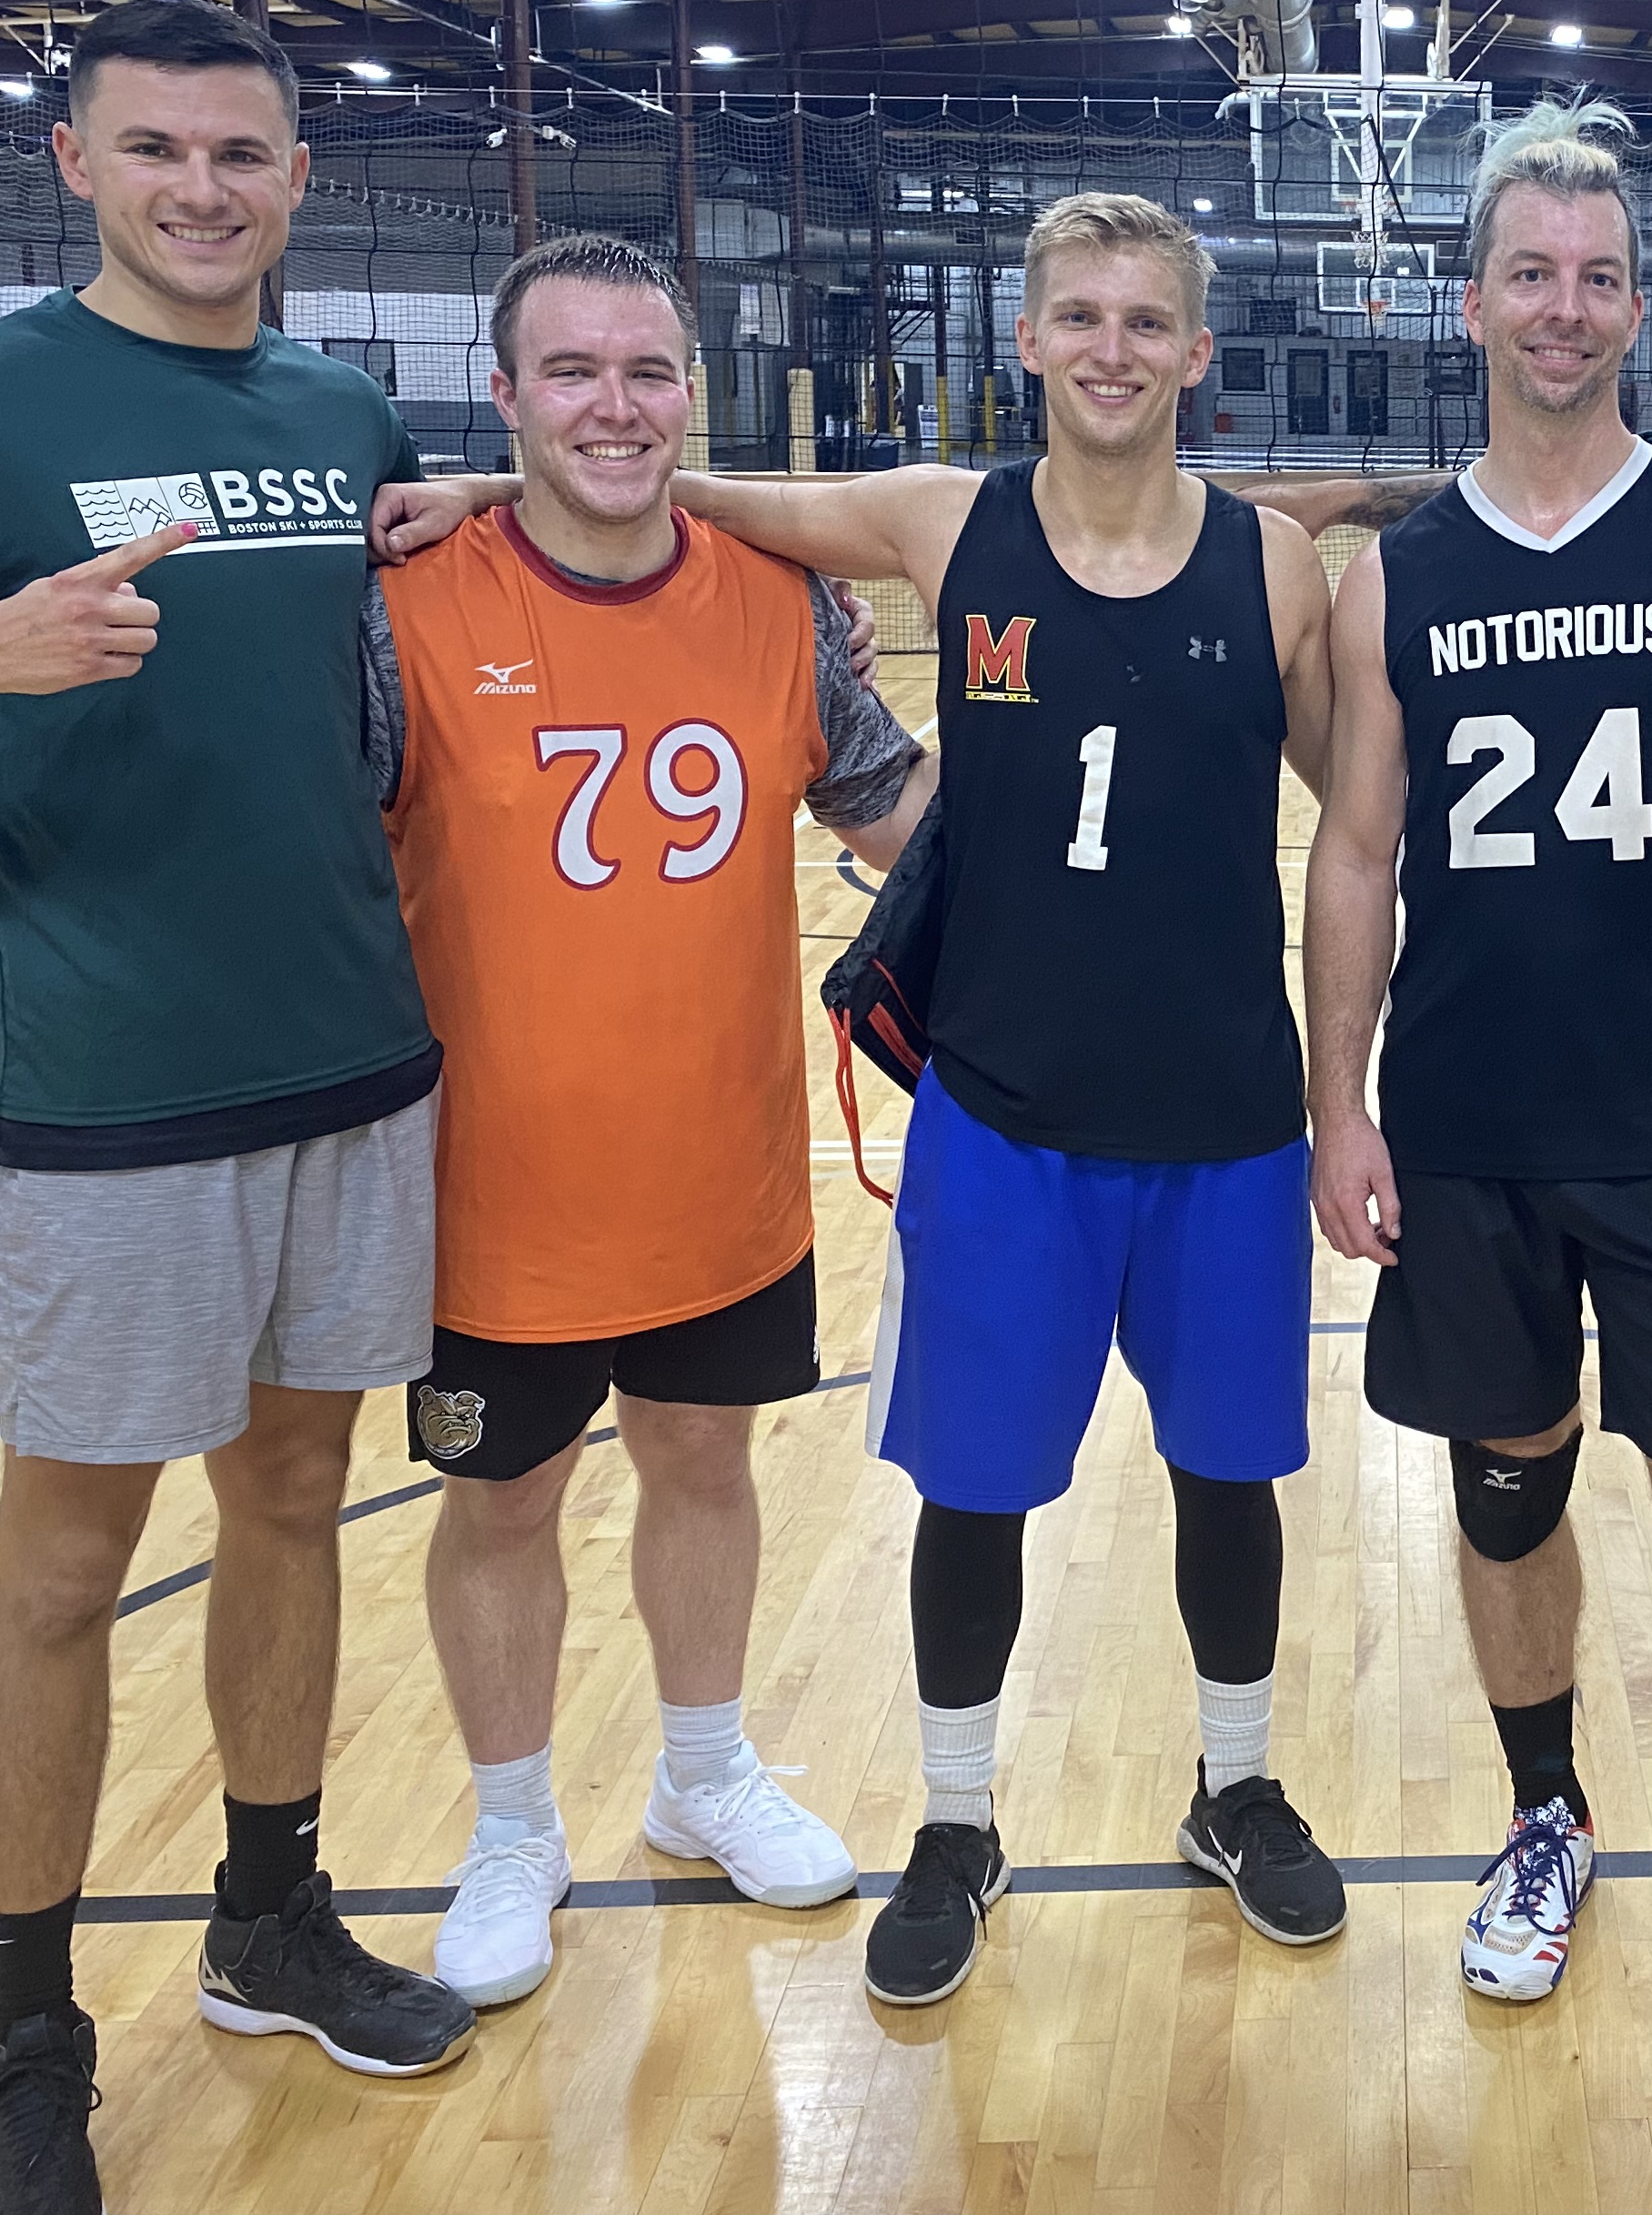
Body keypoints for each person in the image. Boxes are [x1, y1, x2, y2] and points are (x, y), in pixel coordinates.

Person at [0, 0, 478, 2215]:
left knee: (294, 1501)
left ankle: (269, 1917)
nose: (201, 188)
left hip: (348, 1060)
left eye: (241, 153)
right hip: (96, 1083)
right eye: (156, 148)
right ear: (73, 159)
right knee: (67, 1568)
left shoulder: (340, 406)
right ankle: (28, 2035)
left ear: (299, 178)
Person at [494, 191, 1354, 1998]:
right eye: (1079, 317)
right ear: (1026, 342)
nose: (1112, 349)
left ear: (1198, 353)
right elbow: (694, 495)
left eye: (1147, 321)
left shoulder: (1278, 569)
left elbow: (1363, 825)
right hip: (1004, 1122)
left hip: (1224, 1121)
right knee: (974, 1491)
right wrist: (500, 490)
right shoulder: (944, 525)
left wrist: (1359, 1093)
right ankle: (957, 1818)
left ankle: (1238, 1784)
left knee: (1230, 1481)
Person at [1304, 100, 1652, 2109]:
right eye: (1533, 274)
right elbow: (1355, 853)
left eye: (1601, 277)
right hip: (1464, 1128)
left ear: (1640, 308)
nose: (1567, 307)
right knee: (1508, 1487)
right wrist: (1339, 1106)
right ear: (1472, 303)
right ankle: (1545, 1815)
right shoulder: (1399, 577)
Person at [360, 234, 931, 2009]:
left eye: (647, 372)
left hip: (718, 1172)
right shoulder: (405, 606)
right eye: (573, 372)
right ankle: (512, 1830)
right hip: (491, 1193)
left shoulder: (774, 598)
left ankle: (703, 1775)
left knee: (703, 1466)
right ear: (506, 395)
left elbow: (895, 809)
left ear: (693, 393)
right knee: (502, 1505)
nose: (613, 406)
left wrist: (1094, 751)